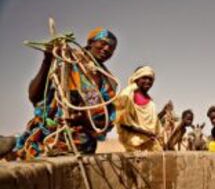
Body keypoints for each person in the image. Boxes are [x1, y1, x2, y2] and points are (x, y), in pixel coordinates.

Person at [13, 27, 118, 160]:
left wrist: (83, 119)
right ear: (91, 42)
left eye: (112, 48)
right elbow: (35, 96)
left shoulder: (107, 81)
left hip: (80, 143)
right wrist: (47, 60)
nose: (107, 49)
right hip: (47, 135)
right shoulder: (65, 60)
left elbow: (105, 120)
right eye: (103, 43)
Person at [115, 65, 171, 152]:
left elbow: (151, 123)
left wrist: (163, 112)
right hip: (136, 146)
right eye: (144, 78)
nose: (148, 81)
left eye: (150, 79)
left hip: (150, 144)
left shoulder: (149, 100)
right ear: (136, 78)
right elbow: (123, 123)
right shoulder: (127, 95)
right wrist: (146, 133)